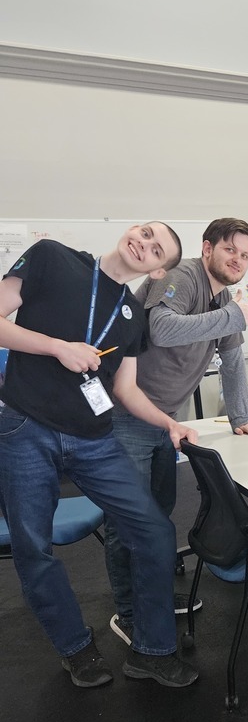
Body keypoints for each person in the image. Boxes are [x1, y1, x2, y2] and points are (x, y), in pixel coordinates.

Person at [0, 223, 200, 688]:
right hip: (25, 426)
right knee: (34, 547)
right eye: (145, 233)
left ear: (157, 271)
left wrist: (167, 422)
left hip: (93, 438)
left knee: (153, 530)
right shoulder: (53, 257)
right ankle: (75, 648)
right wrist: (57, 348)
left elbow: (125, 388)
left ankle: (151, 651)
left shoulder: (132, 312)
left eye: (156, 251)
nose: (143, 245)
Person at [104, 218, 248, 646]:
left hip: (163, 419)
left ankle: (152, 597)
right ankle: (128, 613)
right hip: (125, 414)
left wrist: (240, 418)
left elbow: (232, 362)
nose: (238, 260)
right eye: (231, 250)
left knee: (157, 517)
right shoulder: (183, 276)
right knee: (129, 523)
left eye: (246, 255)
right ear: (208, 247)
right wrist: (230, 316)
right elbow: (159, 327)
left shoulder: (225, 297)